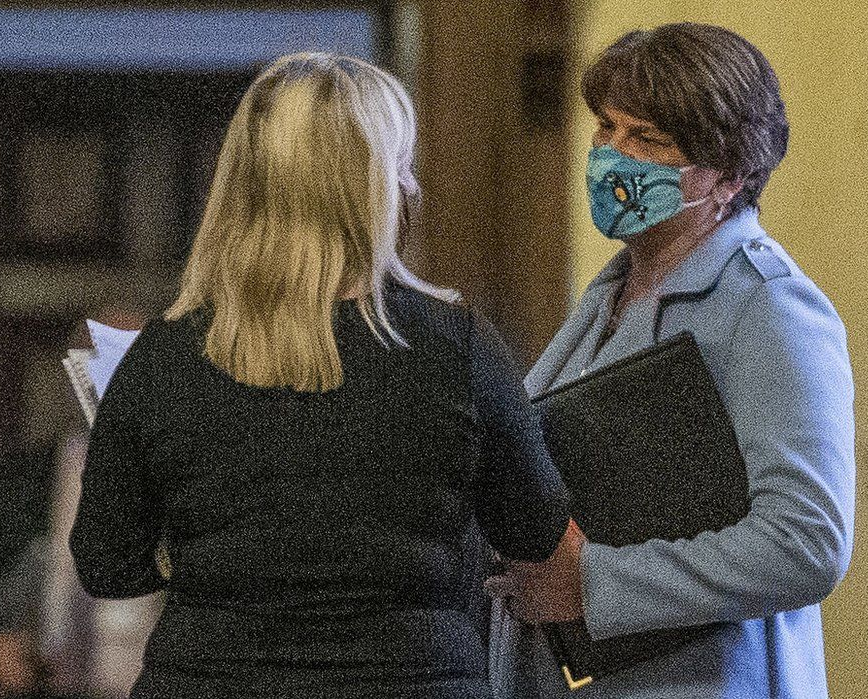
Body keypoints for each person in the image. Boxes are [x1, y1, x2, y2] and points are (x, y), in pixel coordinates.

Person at [68, 53, 577, 699]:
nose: (412, 185)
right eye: (401, 164)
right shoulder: (457, 348)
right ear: (374, 186)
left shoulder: (162, 357)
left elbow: (108, 566)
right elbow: (536, 532)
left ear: (242, 185)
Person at [486, 23, 856, 699]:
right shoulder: (609, 293)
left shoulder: (770, 308)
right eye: (606, 128)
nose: (611, 156)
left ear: (731, 175)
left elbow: (807, 542)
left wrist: (595, 584)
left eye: (646, 138)